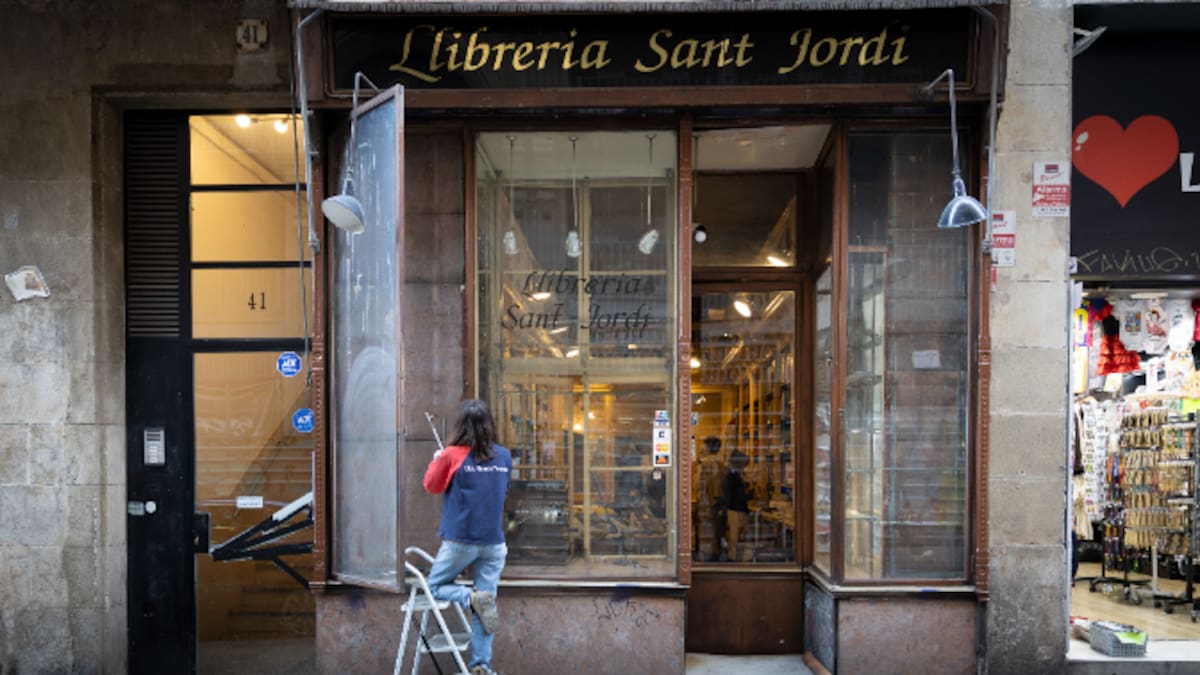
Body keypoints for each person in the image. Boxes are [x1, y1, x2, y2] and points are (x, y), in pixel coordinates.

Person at [422, 399, 513, 675]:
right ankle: (481, 665)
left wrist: (439, 459)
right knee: (487, 604)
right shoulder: (504, 456)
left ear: (461, 425)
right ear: (489, 424)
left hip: (460, 540)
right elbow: (503, 490)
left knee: (435, 586)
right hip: (494, 542)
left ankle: (469, 596)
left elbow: (431, 486)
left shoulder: (451, 455)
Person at [722, 451, 751, 562]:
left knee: (737, 534)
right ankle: (733, 558)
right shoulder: (732, 476)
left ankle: (735, 556)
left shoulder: (735, 475)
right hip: (735, 508)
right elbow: (731, 493)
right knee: (735, 535)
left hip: (737, 507)